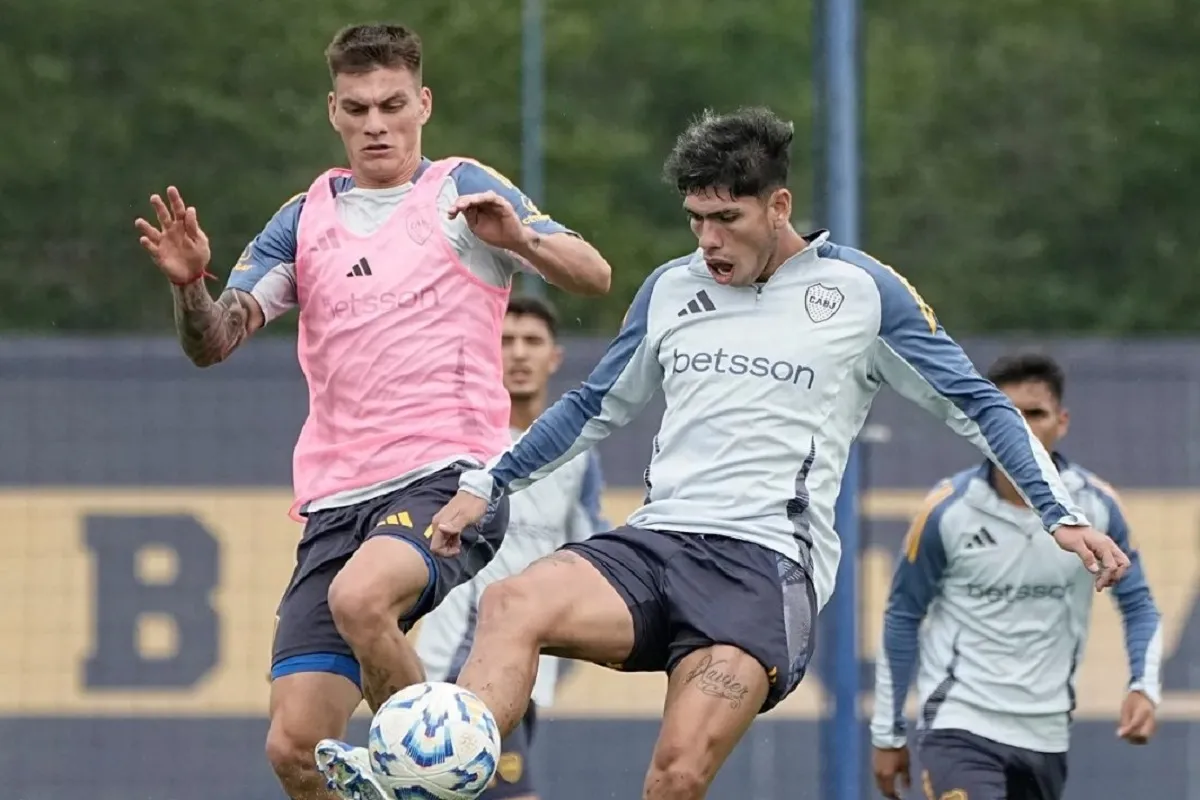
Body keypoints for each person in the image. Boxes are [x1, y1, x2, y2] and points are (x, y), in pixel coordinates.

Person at [412, 107, 1132, 800]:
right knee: (512, 602)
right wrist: (491, 481)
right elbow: (593, 406)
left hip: (761, 572)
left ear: (778, 205)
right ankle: (433, 772)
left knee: (676, 777)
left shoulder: (861, 292)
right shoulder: (671, 287)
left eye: (727, 219)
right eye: (696, 219)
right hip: (658, 544)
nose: (709, 241)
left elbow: (978, 403)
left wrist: (1058, 514)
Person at [133, 22, 612, 800]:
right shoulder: (304, 217)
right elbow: (213, 342)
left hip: (448, 479)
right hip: (335, 506)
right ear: (333, 112)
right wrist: (191, 283)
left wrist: (520, 238)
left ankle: (438, 780)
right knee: (296, 747)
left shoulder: (459, 188)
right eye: (357, 109)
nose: (375, 124)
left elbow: (593, 275)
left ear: (423, 103)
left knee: (360, 599)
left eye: (392, 105)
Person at [870, 352, 1161, 800]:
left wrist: (1144, 686)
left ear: (1061, 421)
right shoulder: (947, 510)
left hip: (1045, 736)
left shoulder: (1098, 507)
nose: (1022, 427)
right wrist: (888, 732)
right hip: (958, 724)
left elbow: (1139, 605)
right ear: (986, 423)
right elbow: (902, 616)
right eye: (1008, 415)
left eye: (1036, 414)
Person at [414, 295, 607, 800]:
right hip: (458, 663)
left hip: (528, 672)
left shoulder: (576, 457)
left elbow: (591, 555)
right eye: (506, 341)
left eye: (532, 342)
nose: (518, 354)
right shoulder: (456, 446)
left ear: (554, 358)